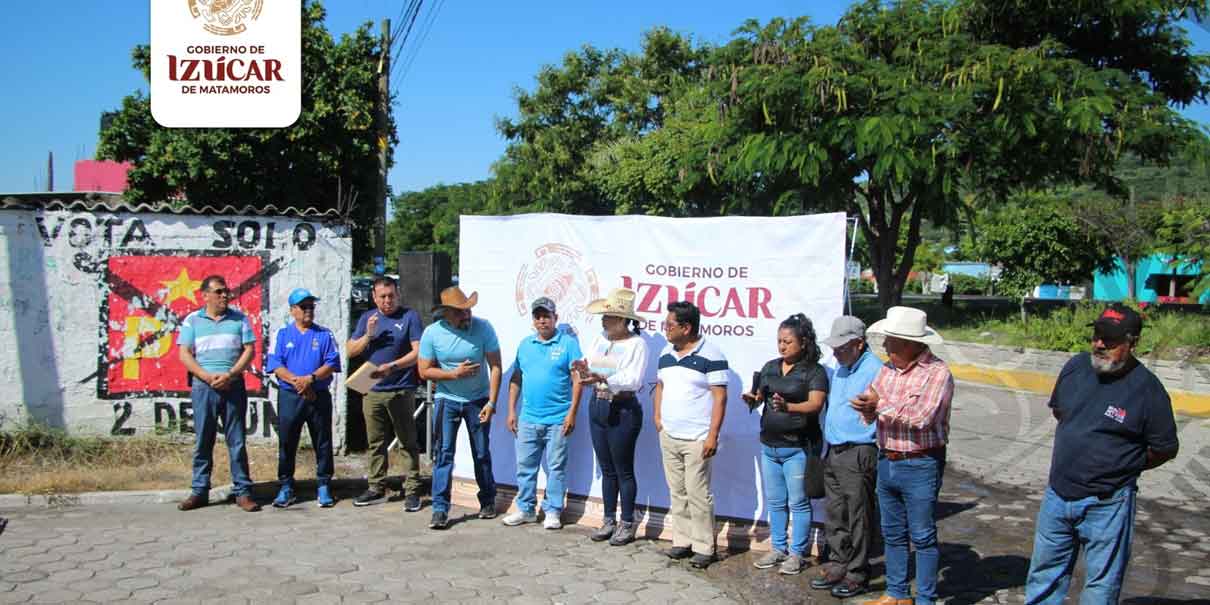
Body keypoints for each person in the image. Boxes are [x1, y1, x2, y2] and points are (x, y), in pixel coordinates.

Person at [1024, 304, 1179, 604]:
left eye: (1109, 339)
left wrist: (1121, 466)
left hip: (1107, 504)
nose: (1099, 344)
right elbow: (1062, 413)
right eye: (1096, 336)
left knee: (1100, 587)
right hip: (1057, 496)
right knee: (1044, 576)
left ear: (1133, 342)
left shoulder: (1148, 390)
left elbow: (1164, 448)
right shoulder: (1075, 367)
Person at [850, 306, 953, 605]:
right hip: (888, 458)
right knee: (892, 532)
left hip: (921, 462)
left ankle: (925, 599)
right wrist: (867, 408)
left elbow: (922, 416)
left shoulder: (937, 373)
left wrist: (878, 404)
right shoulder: (886, 370)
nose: (884, 346)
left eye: (890, 341)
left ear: (908, 343)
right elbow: (873, 411)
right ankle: (896, 593)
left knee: (921, 536)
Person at [743, 314, 828, 576]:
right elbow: (759, 397)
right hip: (770, 446)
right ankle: (778, 548)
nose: (782, 346)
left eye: (788, 341)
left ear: (803, 342)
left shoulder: (814, 371)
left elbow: (815, 404)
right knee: (776, 501)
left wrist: (789, 406)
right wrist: (752, 399)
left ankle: (797, 553)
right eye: (779, 341)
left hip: (799, 448)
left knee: (799, 503)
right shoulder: (770, 367)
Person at [418, 286, 503, 530]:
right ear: (446, 313)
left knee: (481, 452)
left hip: (478, 400)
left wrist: (492, 402)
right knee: (444, 454)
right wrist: (454, 374)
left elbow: (496, 366)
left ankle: (487, 500)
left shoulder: (484, 327)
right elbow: (424, 371)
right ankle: (440, 509)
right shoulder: (432, 334)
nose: (466, 315)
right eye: (459, 312)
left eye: (467, 310)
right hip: (447, 399)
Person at [811, 316, 883, 599]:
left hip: (859, 451)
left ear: (859, 343)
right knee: (835, 512)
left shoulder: (876, 370)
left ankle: (857, 572)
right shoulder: (842, 368)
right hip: (835, 449)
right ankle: (840, 563)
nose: (836, 352)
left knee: (858, 515)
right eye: (835, 347)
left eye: (842, 347)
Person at [176, 275, 260, 513]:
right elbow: (184, 354)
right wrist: (205, 376)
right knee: (204, 440)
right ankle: (200, 491)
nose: (225, 295)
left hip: (232, 386)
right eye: (219, 292)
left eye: (226, 291)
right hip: (204, 387)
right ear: (205, 295)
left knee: (237, 441)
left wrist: (231, 374)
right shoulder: (192, 320)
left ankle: (243, 492)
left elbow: (249, 350)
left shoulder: (239, 319)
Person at [654, 301, 728, 569]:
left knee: (698, 493)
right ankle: (682, 542)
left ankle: (704, 547)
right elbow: (660, 385)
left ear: (686, 328)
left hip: (698, 437)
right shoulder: (665, 352)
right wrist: (658, 418)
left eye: (669, 325)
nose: (666, 329)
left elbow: (720, 398)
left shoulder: (712, 354)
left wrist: (712, 436)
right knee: (677, 491)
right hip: (669, 434)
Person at [502, 297, 584, 530]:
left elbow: (577, 381)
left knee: (556, 467)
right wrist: (511, 411)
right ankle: (526, 509)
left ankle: (553, 510)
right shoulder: (525, 345)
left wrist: (572, 414)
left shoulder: (568, 344)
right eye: (538, 316)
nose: (542, 320)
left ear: (555, 318)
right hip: (528, 418)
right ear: (533, 320)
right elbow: (516, 379)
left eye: (546, 316)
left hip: (559, 419)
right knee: (525, 467)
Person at [347, 276, 425, 512]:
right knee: (375, 442)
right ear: (374, 297)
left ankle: (412, 490)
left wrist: (394, 366)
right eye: (382, 296)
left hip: (401, 389)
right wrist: (368, 335)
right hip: (372, 391)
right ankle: (376, 486)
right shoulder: (367, 319)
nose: (387, 300)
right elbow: (350, 351)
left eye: (391, 295)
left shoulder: (409, 316)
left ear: (397, 294)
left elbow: (418, 351)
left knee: (407, 441)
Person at [579, 288, 649, 546]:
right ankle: (609, 519)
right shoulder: (601, 339)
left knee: (623, 469)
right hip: (597, 404)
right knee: (607, 468)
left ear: (622, 320)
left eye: (608, 316)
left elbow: (633, 380)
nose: (603, 320)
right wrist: (584, 371)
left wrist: (604, 377)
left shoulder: (637, 344)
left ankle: (627, 521)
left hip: (622, 409)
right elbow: (591, 367)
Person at [266, 288, 341, 508]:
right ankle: (286, 485)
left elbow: (332, 363)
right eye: (304, 306)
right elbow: (275, 364)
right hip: (291, 396)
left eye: (311, 306)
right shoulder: (281, 334)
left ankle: (324, 484)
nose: (309, 310)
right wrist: (298, 382)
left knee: (323, 440)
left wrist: (311, 379)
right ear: (292, 310)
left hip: (317, 394)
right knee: (287, 441)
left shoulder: (324, 334)